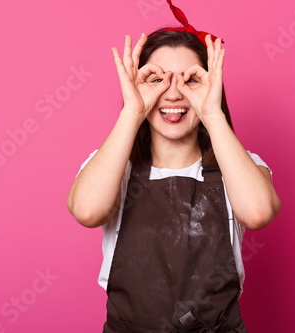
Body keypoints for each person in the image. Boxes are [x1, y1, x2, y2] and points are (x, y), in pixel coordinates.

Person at [67, 1, 281, 331]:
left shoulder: (238, 167)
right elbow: (86, 211)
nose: (173, 93)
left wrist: (211, 113)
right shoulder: (114, 169)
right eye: (157, 80)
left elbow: (258, 213)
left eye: (190, 80)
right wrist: (132, 111)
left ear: (211, 87)